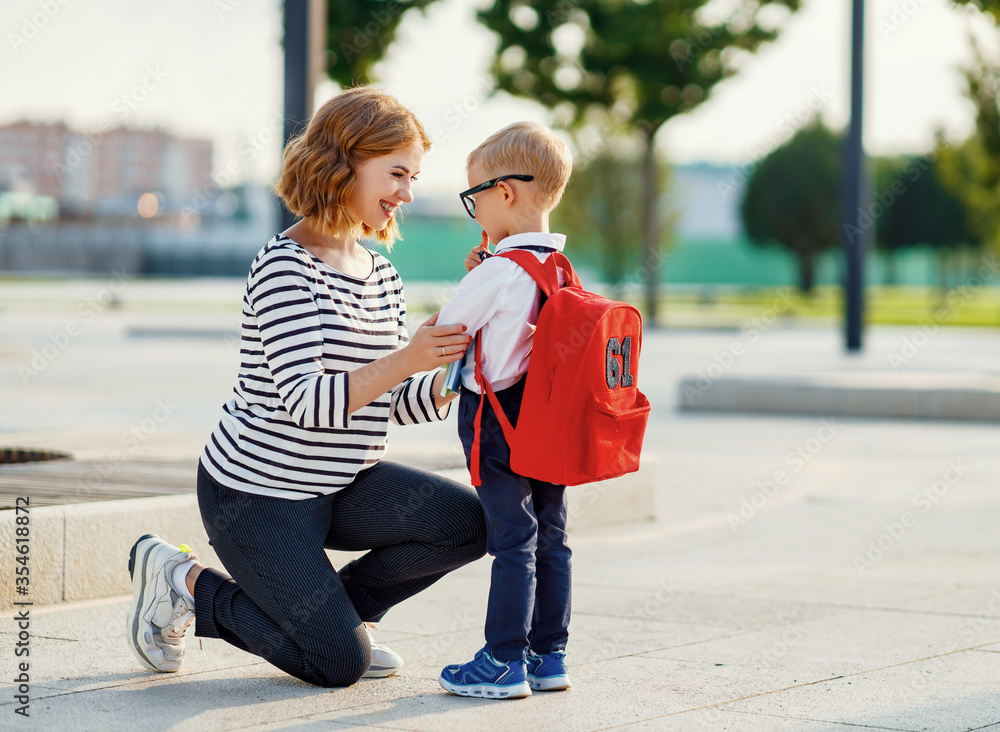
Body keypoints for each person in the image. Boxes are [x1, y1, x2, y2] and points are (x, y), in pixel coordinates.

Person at [125, 86, 487, 688]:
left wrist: (452, 372)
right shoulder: (283, 266)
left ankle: (341, 619)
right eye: (396, 173)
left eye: (413, 176)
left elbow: (390, 401)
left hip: (342, 482)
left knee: (470, 525)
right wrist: (407, 358)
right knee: (337, 664)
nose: (406, 193)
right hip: (257, 496)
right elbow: (309, 404)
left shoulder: (382, 276)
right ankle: (181, 582)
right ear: (345, 162)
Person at [435, 122, 575, 699]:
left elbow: (446, 331)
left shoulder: (498, 271)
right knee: (552, 534)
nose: (474, 212)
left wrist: (480, 278)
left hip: (497, 418)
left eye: (475, 198)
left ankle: (501, 660)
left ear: (506, 193)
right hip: (550, 419)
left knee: (511, 536)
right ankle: (549, 656)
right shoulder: (562, 269)